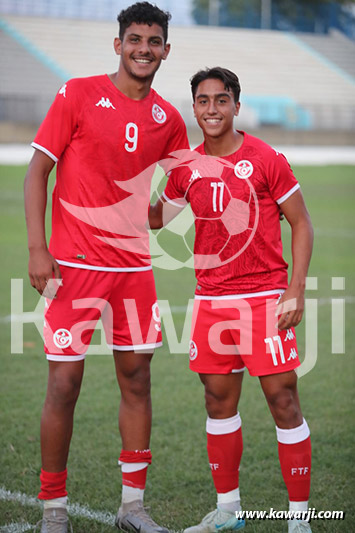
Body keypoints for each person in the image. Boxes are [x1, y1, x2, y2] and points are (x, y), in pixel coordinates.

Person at [24, 3, 189, 532]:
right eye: (135, 39)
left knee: (137, 381)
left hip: (134, 272)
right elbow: (37, 172)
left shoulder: (169, 119)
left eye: (154, 41)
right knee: (65, 385)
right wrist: (36, 247)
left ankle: (132, 508)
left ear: (166, 49)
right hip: (72, 267)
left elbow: (175, 198)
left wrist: (161, 210)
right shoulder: (77, 93)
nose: (145, 49)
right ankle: (54, 509)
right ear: (117, 44)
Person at [149, 67, 314, 533]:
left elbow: (301, 223)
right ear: (194, 108)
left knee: (283, 401)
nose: (212, 109)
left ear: (236, 106)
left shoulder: (265, 158)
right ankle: (228, 511)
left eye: (221, 100)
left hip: (265, 300)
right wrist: (122, 180)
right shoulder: (187, 167)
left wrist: (295, 289)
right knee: (218, 403)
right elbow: (159, 218)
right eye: (203, 101)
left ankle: (299, 520)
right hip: (212, 300)